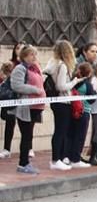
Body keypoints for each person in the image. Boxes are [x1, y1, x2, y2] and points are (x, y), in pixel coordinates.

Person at [8, 45, 45, 175]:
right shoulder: (20, 68)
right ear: (24, 56)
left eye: (35, 54)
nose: (34, 57)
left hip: (35, 107)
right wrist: (35, 90)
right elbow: (16, 86)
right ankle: (23, 164)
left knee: (29, 136)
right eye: (31, 55)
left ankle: (26, 163)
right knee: (26, 136)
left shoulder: (34, 68)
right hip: (25, 108)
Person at [45, 39, 76, 170]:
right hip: (62, 100)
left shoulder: (52, 63)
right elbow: (61, 86)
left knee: (60, 130)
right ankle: (56, 159)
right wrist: (74, 82)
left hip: (56, 101)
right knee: (60, 131)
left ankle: (59, 158)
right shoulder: (62, 66)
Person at [0, 42, 26, 159]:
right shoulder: (10, 64)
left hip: (23, 98)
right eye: (17, 48)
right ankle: (7, 149)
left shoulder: (28, 65)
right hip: (10, 99)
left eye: (22, 48)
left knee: (25, 125)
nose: (19, 50)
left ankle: (28, 148)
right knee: (9, 122)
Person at [67, 61, 95, 168]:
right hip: (84, 111)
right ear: (89, 73)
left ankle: (68, 156)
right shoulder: (87, 84)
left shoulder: (73, 81)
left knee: (71, 135)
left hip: (72, 110)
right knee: (80, 136)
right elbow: (92, 99)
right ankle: (76, 159)